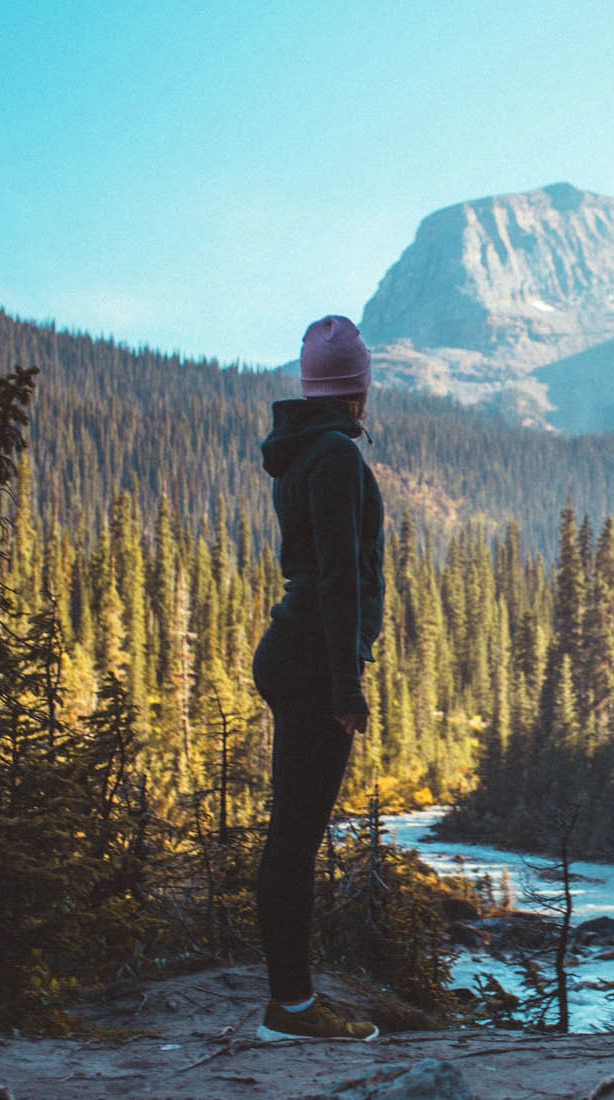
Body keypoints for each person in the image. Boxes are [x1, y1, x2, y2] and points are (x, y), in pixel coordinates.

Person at [253, 315, 385, 1041]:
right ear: (357, 387)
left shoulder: (304, 450)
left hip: (295, 649)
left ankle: (290, 1003)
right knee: (297, 839)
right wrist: (347, 688)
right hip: (310, 659)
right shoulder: (334, 455)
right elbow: (337, 578)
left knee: (290, 834)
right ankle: (293, 1011)